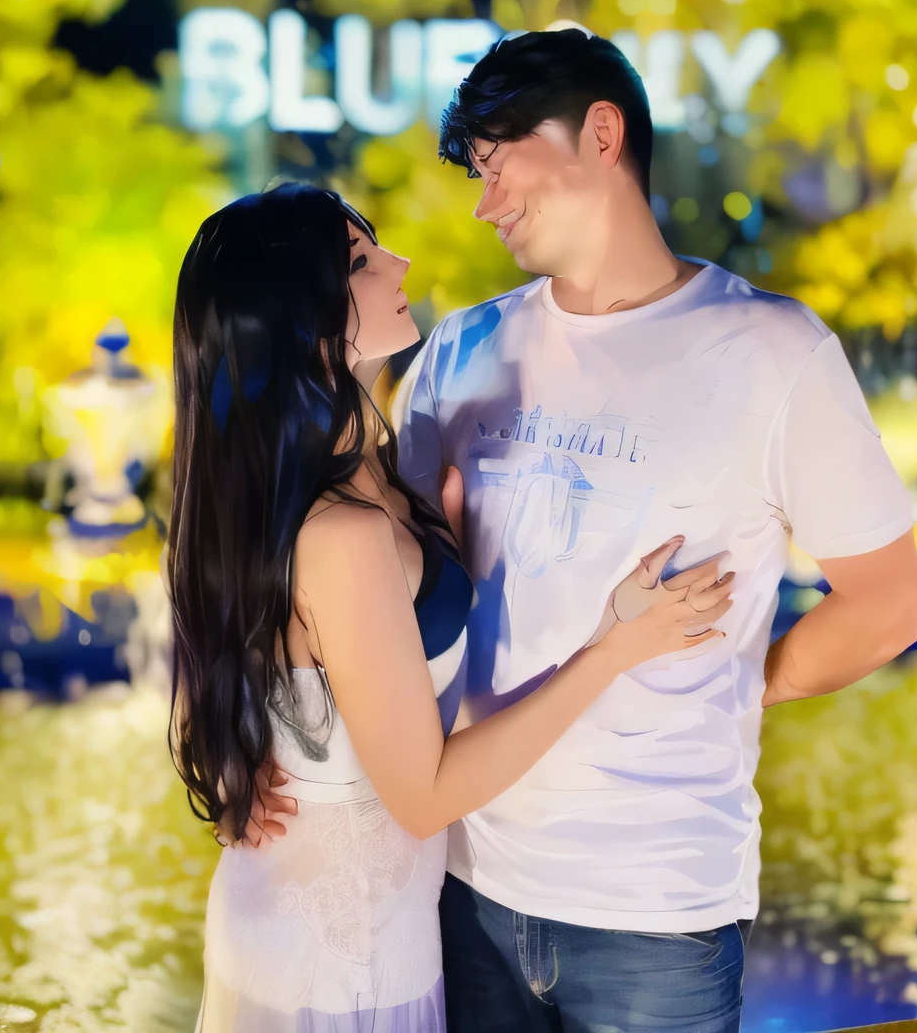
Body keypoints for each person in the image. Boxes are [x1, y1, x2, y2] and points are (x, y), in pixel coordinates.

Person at [389, 28, 917, 1033]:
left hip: (653, 912)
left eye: (502, 168)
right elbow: (382, 588)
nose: (485, 201)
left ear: (602, 133)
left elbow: (890, 604)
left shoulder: (772, 352)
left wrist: (742, 676)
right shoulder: (462, 350)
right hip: (466, 881)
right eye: (477, 175)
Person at [167, 182, 733, 1033]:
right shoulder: (338, 530)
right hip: (335, 966)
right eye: (359, 261)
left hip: (370, 934)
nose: (398, 264)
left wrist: (229, 752)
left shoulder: (356, 467)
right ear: (299, 316)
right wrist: (615, 648)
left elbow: (206, 677)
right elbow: (424, 796)